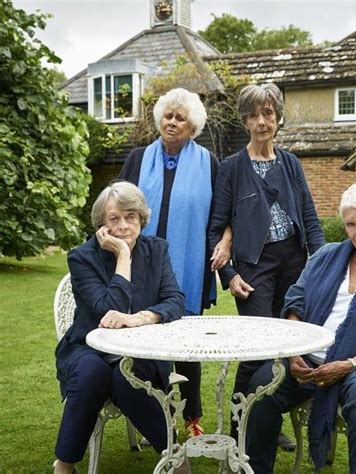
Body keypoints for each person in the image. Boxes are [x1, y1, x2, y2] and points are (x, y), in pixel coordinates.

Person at [246, 182, 356, 474]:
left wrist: (349, 364)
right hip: (307, 359)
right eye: (350, 224)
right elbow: (296, 300)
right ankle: (255, 469)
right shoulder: (326, 257)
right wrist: (294, 354)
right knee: (262, 384)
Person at [208, 83, 325, 448]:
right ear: (245, 121)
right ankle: (238, 427)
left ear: (277, 118)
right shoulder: (232, 168)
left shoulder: (290, 163)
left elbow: (309, 216)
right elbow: (216, 226)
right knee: (257, 347)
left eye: (269, 114)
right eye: (255, 115)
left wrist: (322, 264)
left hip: (295, 261)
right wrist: (229, 275)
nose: (262, 121)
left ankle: (268, 426)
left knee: (291, 342)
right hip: (254, 267)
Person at [119, 87, 231, 437]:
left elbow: (222, 214)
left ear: (193, 126)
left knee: (187, 344)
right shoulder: (138, 159)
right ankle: (152, 413)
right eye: (168, 115)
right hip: (141, 265)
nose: (172, 122)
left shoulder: (209, 163)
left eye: (180, 117)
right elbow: (117, 206)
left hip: (189, 264)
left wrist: (225, 242)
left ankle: (192, 417)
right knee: (144, 339)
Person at [53, 182, 186, 474]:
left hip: (142, 350)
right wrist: (123, 256)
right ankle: (64, 463)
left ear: (141, 219)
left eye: (131, 217)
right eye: (114, 218)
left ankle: (174, 457)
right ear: (101, 224)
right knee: (91, 373)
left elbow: (175, 300)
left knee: (127, 379)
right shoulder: (82, 257)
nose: (124, 225)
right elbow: (106, 309)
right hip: (89, 346)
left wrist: (141, 317)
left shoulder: (156, 250)